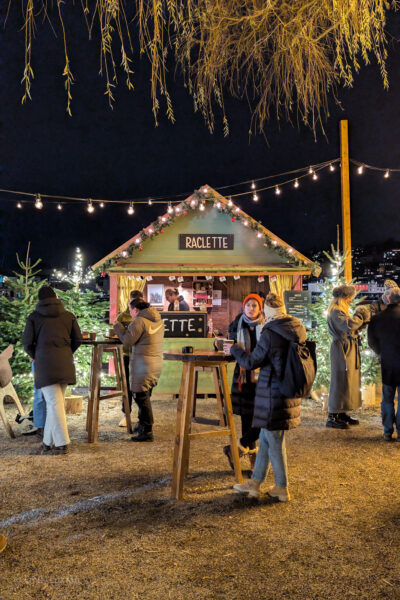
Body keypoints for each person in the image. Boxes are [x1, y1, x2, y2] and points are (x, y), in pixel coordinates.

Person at [224, 292, 306, 502]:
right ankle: (255, 482)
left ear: (267, 311)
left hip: (273, 393)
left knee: (274, 441)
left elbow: (252, 362)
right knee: (268, 438)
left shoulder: (271, 332)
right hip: (287, 390)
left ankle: (281, 487)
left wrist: (233, 349)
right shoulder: (295, 327)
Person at [23, 286, 81, 455]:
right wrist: (66, 352)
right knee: (56, 403)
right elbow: (78, 339)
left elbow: (27, 342)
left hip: (44, 364)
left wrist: (35, 355)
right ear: (56, 297)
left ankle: (62, 443)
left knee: (54, 403)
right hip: (65, 362)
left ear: (39, 300)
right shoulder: (69, 316)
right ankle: (47, 442)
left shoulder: (33, 318)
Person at [222, 293, 265, 472]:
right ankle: (252, 462)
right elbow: (232, 350)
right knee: (247, 420)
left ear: (260, 308)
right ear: (243, 307)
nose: (251, 308)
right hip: (243, 378)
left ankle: (236, 449)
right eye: (248, 305)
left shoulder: (266, 326)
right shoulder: (236, 326)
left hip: (262, 378)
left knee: (263, 418)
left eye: (255, 305)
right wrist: (225, 349)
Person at [113, 296, 164, 442]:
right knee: (145, 395)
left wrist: (118, 326)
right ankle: (142, 424)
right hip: (154, 363)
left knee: (141, 397)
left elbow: (128, 341)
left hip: (143, 364)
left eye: (130, 310)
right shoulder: (158, 320)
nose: (130, 313)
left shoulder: (140, 321)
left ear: (135, 309)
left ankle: (147, 431)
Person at [326, 284, 370, 429]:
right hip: (341, 349)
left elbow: (351, 327)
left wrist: (361, 323)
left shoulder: (340, 310)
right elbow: (349, 326)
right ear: (344, 298)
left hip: (347, 348)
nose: (351, 300)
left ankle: (342, 412)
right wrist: (359, 315)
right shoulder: (336, 311)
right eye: (350, 297)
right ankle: (332, 415)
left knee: (347, 380)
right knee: (339, 380)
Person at [368, 286, 400, 441]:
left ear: (388, 299)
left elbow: (371, 341)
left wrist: (381, 352)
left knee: (387, 397)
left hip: (387, 361)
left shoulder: (377, 318)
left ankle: (387, 430)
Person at [116, 289, 144, 428]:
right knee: (126, 385)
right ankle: (126, 414)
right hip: (128, 355)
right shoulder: (123, 316)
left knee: (143, 388)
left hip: (141, 356)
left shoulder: (145, 316)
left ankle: (142, 415)